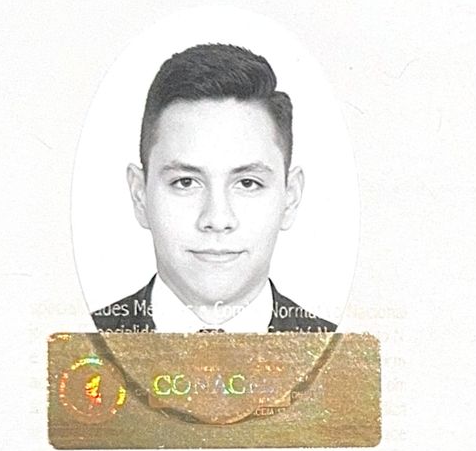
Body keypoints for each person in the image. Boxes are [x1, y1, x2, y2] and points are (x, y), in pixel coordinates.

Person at [91, 42, 336, 332]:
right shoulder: (73, 345)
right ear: (140, 195)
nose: (217, 220)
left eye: (247, 183)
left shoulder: (342, 353)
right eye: (185, 182)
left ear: (290, 198)